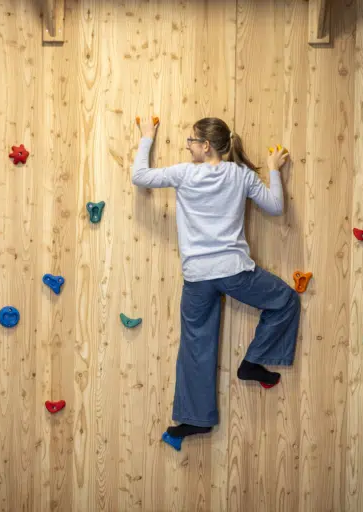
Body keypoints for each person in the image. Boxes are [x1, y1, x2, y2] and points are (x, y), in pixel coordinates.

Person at [132, 117, 301, 443]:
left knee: (196, 346)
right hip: (234, 271)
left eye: (191, 140)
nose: (187, 145)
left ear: (205, 145)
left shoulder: (184, 173)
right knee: (285, 300)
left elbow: (140, 176)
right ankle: (253, 363)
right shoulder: (241, 175)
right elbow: (277, 207)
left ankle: (195, 420)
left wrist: (146, 139)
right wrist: (274, 170)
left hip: (197, 276)